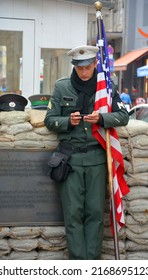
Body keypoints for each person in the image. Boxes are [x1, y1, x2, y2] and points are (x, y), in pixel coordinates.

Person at [44, 45, 129, 260]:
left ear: (95, 65)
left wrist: (101, 119)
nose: (84, 72)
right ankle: (78, 266)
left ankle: (92, 266)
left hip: (96, 159)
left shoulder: (106, 87)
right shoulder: (62, 87)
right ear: (74, 66)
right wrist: (68, 122)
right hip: (70, 159)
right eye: (79, 68)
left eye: (88, 67)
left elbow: (123, 116)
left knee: (95, 215)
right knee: (73, 215)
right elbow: (50, 120)